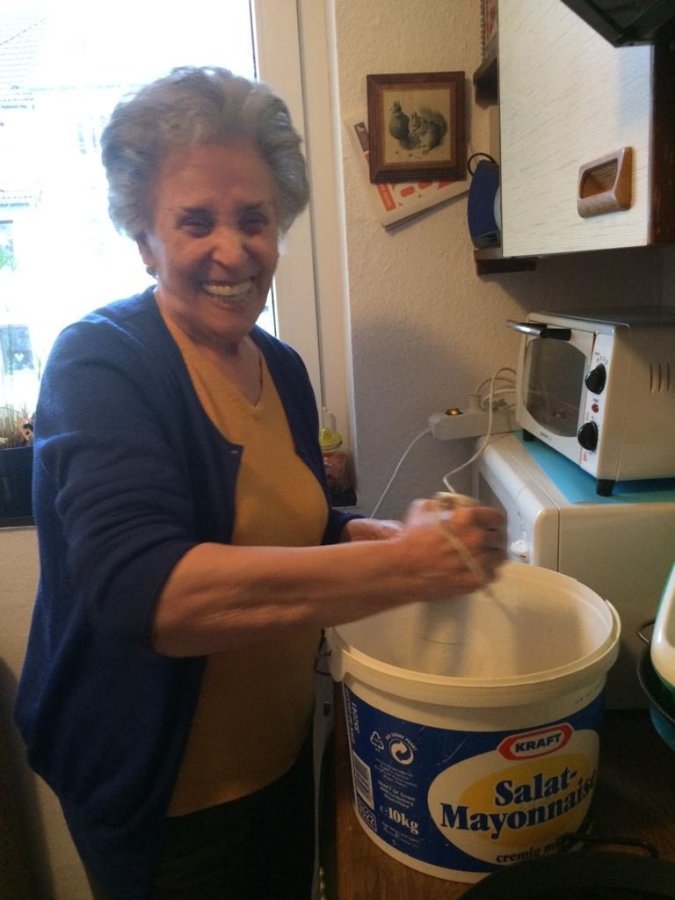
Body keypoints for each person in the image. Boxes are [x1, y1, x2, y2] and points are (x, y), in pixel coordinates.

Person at [14, 67, 506, 900]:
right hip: (160, 797)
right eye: (195, 221)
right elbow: (146, 595)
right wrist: (403, 567)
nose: (233, 249)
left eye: (255, 219)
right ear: (143, 236)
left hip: (280, 759)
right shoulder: (100, 361)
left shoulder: (278, 367)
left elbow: (286, 523)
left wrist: (366, 534)